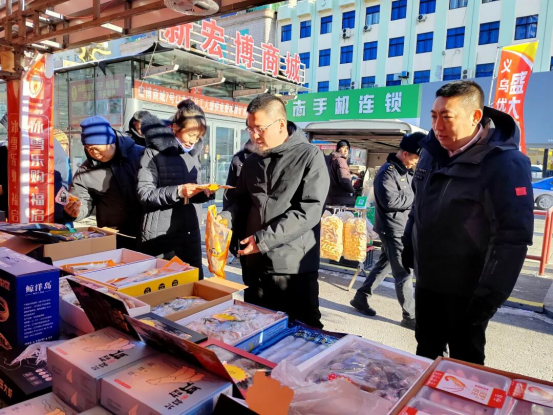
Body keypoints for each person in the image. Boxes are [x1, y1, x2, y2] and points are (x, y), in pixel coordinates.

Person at [402, 81, 534, 365]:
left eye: (446, 117)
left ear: (475, 117)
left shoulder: (504, 163)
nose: (437, 126)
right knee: (426, 353)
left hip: (468, 291)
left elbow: (512, 237)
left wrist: (489, 297)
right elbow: (419, 202)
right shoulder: (430, 152)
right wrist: (408, 241)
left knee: (465, 365)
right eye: (433, 116)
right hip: (428, 281)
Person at [220, 94, 330, 328]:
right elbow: (241, 202)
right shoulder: (251, 161)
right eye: (250, 129)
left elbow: (309, 210)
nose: (254, 136)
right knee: (255, 327)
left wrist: (263, 240)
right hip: (253, 263)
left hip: (292, 266)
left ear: (280, 124)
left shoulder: (309, 156)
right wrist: (224, 220)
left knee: (303, 331)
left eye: (259, 129)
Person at [350, 133, 424, 329]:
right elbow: (390, 201)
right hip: (392, 228)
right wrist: (416, 198)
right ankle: (410, 316)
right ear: (406, 153)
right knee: (404, 272)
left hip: (402, 227)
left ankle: (361, 297)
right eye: (416, 157)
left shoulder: (406, 171)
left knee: (385, 264)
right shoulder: (387, 172)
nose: (417, 162)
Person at [137, 101, 213, 279]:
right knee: (163, 285)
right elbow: (144, 194)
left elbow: (191, 191)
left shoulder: (193, 154)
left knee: (193, 284)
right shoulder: (152, 153)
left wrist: (203, 192)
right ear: (175, 128)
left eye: (198, 136)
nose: (194, 141)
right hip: (160, 233)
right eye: (191, 135)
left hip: (190, 231)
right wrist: (178, 191)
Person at [64, 116, 145, 249]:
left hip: (147, 232)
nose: (94, 153)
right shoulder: (85, 171)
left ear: (110, 141)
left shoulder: (141, 155)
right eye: (88, 148)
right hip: (113, 236)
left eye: (97, 148)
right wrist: (74, 212)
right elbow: (83, 201)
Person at [223, 139, 256, 296]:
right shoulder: (239, 159)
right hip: (244, 229)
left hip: (274, 234)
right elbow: (231, 197)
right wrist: (231, 231)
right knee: (250, 284)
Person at [326, 140, 356, 207]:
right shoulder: (341, 160)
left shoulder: (328, 160)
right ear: (339, 149)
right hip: (341, 200)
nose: (346, 151)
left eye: (347, 149)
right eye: (344, 148)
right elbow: (345, 180)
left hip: (328, 199)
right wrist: (353, 191)